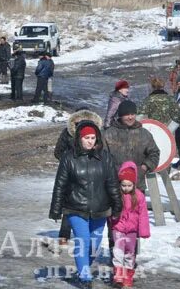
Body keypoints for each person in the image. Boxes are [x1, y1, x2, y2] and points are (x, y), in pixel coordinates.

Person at [49, 121, 122, 288]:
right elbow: (60, 185)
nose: (90, 141)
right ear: (79, 139)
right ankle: (85, 277)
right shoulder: (69, 158)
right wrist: (55, 209)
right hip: (75, 207)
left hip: (100, 208)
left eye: (93, 138)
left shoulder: (105, 158)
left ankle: (83, 269)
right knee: (83, 240)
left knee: (94, 243)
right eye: (87, 138)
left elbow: (112, 184)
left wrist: (117, 205)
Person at [53, 108, 104, 246]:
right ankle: (64, 235)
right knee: (69, 205)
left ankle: (83, 233)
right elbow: (58, 152)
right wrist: (70, 163)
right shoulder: (68, 133)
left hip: (93, 174)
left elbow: (103, 152)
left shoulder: (96, 134)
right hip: (73, 175)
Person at [103, 100, 160, 193]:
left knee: (138, 207)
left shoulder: (144, 133)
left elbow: (154, 153)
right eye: (126, 114)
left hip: (137, 184)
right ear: (120, 115)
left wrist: (145, 167)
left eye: (133, 114)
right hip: (115, 185)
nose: (130, 117)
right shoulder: (108, 134)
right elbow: (102, 157)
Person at [109, 162, 150, 288]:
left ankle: (128, 276)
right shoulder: (116, 195)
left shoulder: (139, 196)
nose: (126, 188)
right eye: (123, 185)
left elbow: (143, 214)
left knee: (130, 253)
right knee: (118, 252)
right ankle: (118, 276)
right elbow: (111, 209)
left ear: (134, 184)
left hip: (132, 230)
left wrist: (143, 231)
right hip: (118, 228)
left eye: (129, 185)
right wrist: (112, 219)